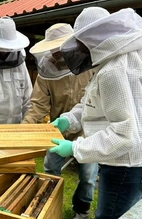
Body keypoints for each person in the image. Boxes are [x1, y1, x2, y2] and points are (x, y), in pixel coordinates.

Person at [49, 7, 142, 219]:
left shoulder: (115, 70)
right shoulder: (118, 60)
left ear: (91, 38)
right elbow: (93, 104)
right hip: (138, 160)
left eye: (79, 41)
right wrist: (68, 120)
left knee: (111, 215)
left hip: (130, 165)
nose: (77, 47)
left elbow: (126, 134)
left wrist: (76, 148)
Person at [22, 23, 96, 219]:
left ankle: (82, 210)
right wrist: (23, 129)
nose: (55, 53)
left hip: (87, 130)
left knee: (88, 176)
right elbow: (38, 105)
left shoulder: (89, 65)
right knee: (50, 170)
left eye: (59, 47)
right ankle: (48, 206)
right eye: (52, 48)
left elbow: (92, 102)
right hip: (57, 129)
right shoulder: (46, 72)